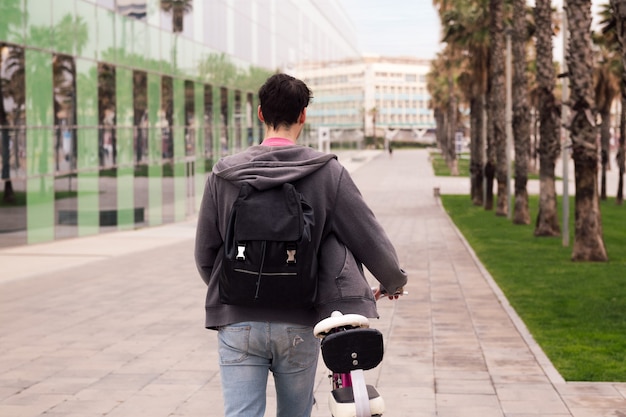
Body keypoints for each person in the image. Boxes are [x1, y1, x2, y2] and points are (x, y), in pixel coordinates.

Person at [195, 73, 407, 417]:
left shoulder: (223, 175)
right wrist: (393, 281)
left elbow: (205, 254)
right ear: (303, 116)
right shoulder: (327, 173)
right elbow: (370, 238)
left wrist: (241, 287)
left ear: (260, 113)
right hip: (299, 320)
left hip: (237, 319)